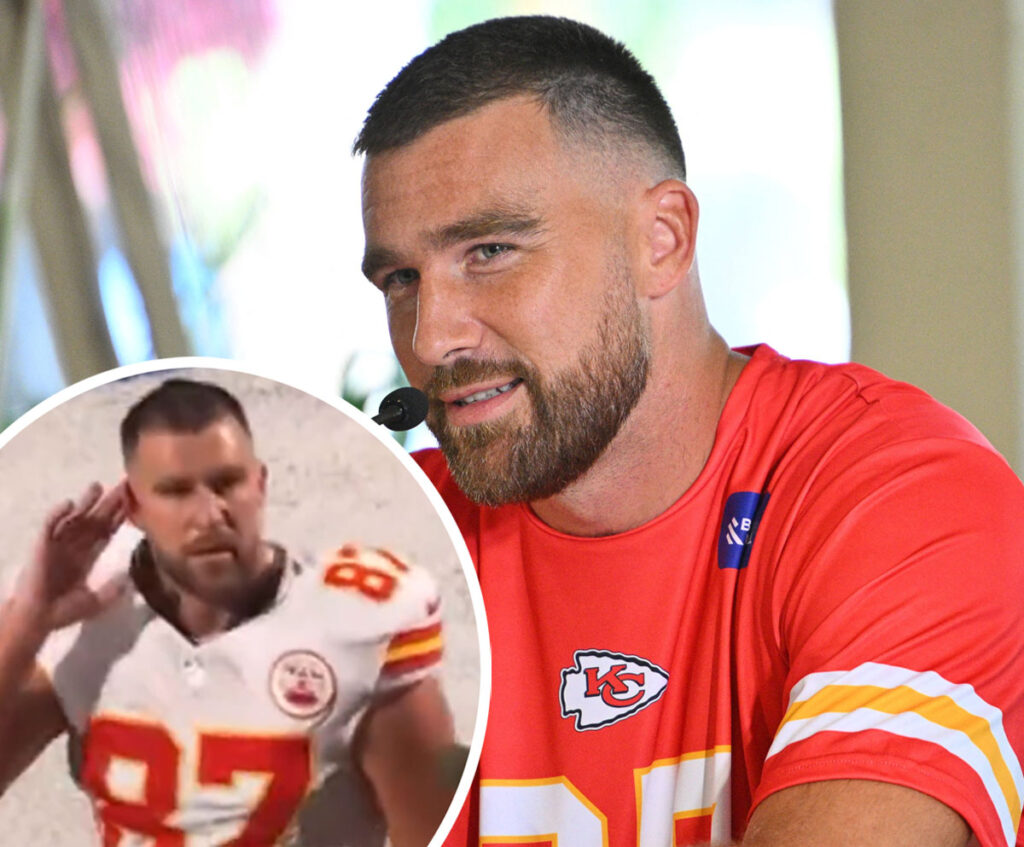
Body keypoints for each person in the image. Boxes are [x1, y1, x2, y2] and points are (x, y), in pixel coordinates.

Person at [353, 14, 1024, 847]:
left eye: (489, 251)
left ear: (661, 240)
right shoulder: (380, 550)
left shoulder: (903, 497)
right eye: (401, 279)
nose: (430, 339)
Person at [0, 377, 458, 846]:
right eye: (176, 491)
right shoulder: (94, 609)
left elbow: (437, 829)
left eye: (227, 483)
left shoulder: (357, 623)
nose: (208, 515)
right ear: (133, 507)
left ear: (259, 484)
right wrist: (28, 619)